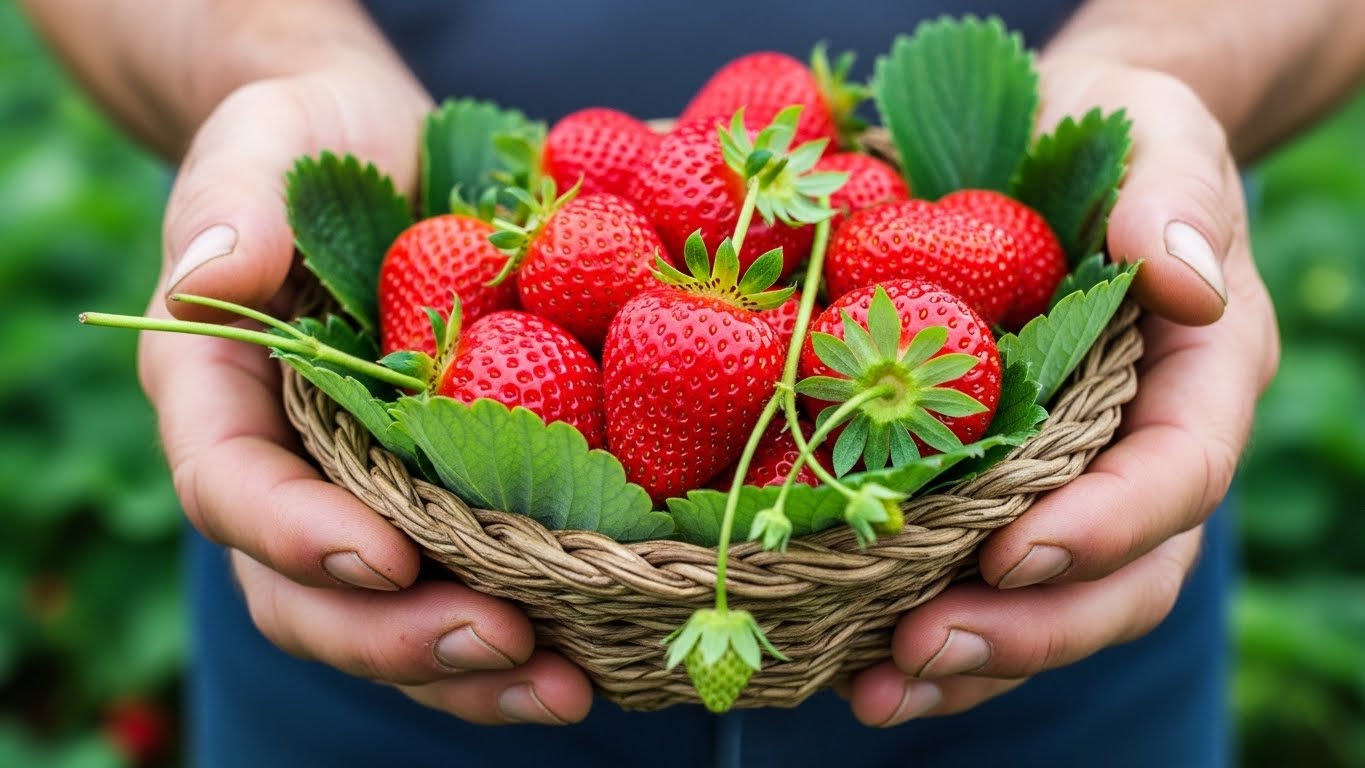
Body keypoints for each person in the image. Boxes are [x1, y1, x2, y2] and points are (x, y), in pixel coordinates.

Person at [20, 0, 1364, 765]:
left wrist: (1172, 63)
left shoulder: (873, 313)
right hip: (388, 592)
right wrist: (263, 57)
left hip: (1036, 565)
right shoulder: (515, 294)